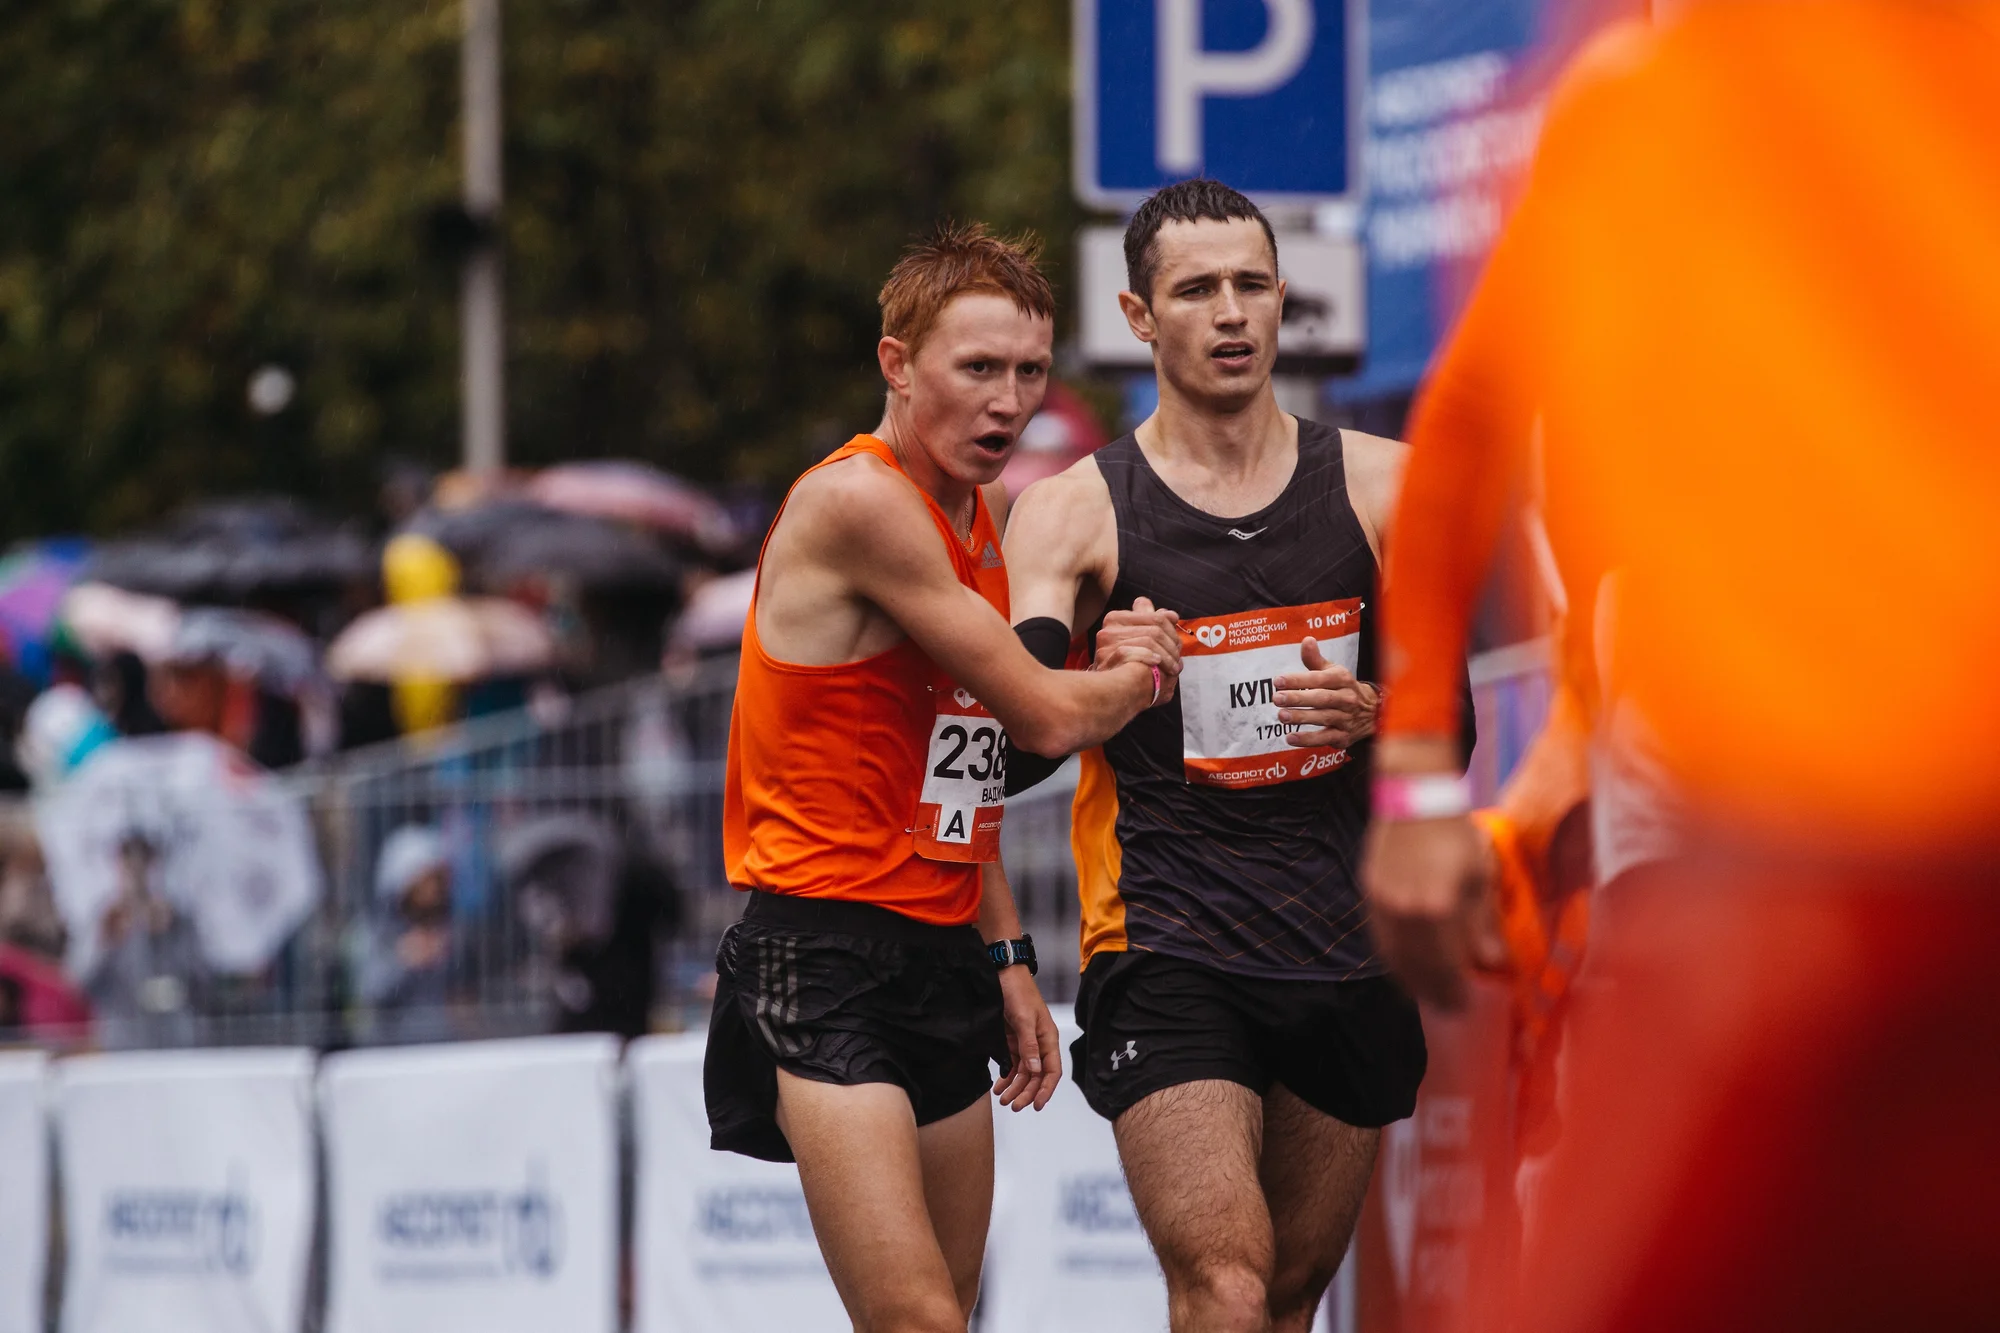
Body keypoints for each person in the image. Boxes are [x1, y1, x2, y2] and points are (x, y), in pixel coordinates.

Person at [1361, 5, 2000, 1329]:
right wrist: (1454, 777)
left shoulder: (1644, 103)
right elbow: (1471, 433)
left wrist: (1431, 785)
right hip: (1786, 882)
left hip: (1805, 894)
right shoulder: (1655, 107)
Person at [702, 222, 1184, 1333]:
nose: (1008, 403)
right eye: (977, 369)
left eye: (1029, 372)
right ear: (897, 364)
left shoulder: (979, 516)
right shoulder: (859, 502)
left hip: (939, 944)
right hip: (820, 947)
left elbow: (958, 771)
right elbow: (1042, 715)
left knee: (950, 1314)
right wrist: (1138, 673)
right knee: (914, 1318)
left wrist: (1006, 955)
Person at [1002, 179, 1463, 1333]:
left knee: (1291, 1294)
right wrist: (1110, 682)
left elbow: (1449, 723)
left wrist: (1376, 713)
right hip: (1166, 939)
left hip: (1339, 940)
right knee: (1225, 1282)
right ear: (1137, 315)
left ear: (1281, 300)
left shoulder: (1386, 484)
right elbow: (1015, 743)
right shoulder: (1071, 512)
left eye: (1250, 285)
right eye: (1195, 289)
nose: (1228, 313)